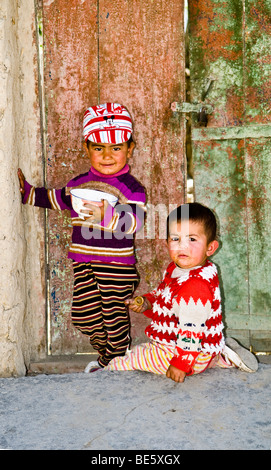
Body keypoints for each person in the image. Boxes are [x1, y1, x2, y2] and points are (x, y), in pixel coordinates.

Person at [18, 103, 146, 371]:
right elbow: (59, 198)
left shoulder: (132, 188)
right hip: (83, 262)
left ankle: (115, 360)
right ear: (87, 149)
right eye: (98, 148)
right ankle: (108, 353)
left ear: (129, 149)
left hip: (117, 266)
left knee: (113, 315)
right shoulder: (79, 184)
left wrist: (106, 215)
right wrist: (29, 193)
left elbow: (135, 221)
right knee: (84, 316)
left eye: (116, 148)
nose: (107, 155)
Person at [104, 202, 258, 382]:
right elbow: (163, 295)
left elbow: (191, 330)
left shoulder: (195, 285)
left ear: (210, 247)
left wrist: (180, 364)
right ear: (167, 241)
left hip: (185, 352)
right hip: (198, 348)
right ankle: (219, 354)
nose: (182, 246)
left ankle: (104, 375)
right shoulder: (179, 269)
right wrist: (146, 302)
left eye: (192, 239)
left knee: (134, 356)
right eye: (175, 239)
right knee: (155, 348)